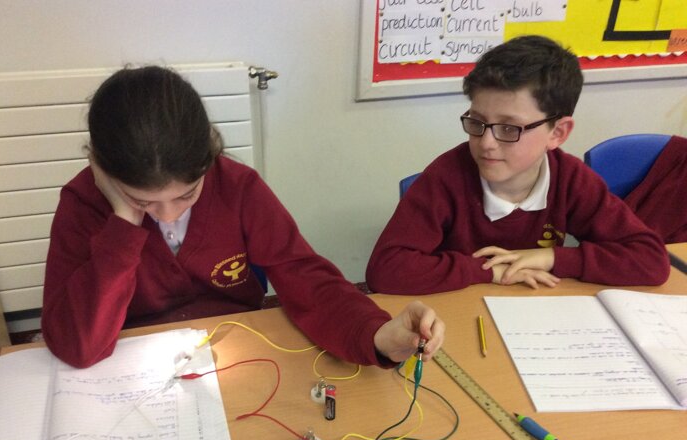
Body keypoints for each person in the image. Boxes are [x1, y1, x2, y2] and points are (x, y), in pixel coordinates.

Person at [42, 65, 444, 369]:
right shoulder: (83, 204)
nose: (168, 213)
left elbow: (306, 277)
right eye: (141, 201)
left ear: (209, 159)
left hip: (233, 349)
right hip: (126, 359)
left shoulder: (237, 187)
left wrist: (375, 334)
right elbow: (77, 346)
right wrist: (122, 224)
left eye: (186, 194)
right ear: (103, 171)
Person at [366, 35, 670, 295]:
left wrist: (551, 258)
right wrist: (487, 270)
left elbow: (651, 260)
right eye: (477, 122)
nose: (486, 142)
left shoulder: (571, 179)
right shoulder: (446, 177)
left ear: (558, 133)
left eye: (509, 128)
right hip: (457, 314)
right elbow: (385, 269)